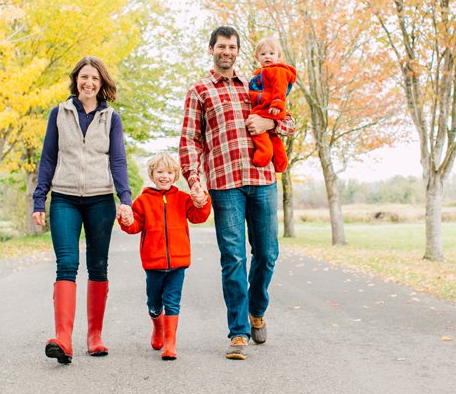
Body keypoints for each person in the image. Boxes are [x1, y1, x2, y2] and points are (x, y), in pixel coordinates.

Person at [179, 26, 295, 360]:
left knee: (268, 253)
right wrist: (194, 179)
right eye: (221, 46)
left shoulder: (257, 83)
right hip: (224, 184)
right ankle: (238, 332)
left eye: (232, 47)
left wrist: (269, 125)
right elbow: (190, 139)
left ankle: (257, 308)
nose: (226, 51)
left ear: (238, 51)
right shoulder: (199, 91)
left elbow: (288, 122)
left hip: (262, 179)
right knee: (233, 257)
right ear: (211, 49)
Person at [32, 56, 133, 365]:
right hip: (64, 197)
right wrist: (39, 200)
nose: (89, 83)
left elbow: (117, 160)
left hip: (101, 199)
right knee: (67, 264)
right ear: (76, 79)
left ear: (102, 84)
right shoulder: (58, 114)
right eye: (84, 77)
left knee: (98, 266)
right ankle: (63, 339)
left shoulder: (111, 118)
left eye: (95, 79)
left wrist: (124, 199)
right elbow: (48, 157)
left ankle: (95, 336)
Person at [118, 153, 211, 360]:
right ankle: (158, 327)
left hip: (178, 262)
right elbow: (134, 227)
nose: (165, 176)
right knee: (153, 303)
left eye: (169, 172)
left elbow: (198, 217)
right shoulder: (143, 201)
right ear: (152, 174)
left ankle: (170, 343)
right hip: (153, 263)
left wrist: (202, 201)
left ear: (176, 175)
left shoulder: (182, 198)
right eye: (160, 172)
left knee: (173, 301)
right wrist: (125, 219)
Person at [247, 36, 297, 172]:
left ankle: (264, 154)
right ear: (257, 57)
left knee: (260, 133)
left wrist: (277, 104)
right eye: (263, 54)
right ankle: (280, 162)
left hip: (270, 109)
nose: (267, 57)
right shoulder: (259, 74)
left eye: (271, 53)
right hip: (269, 109)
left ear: (278, 56)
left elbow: (280, 87)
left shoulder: (277, 70)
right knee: (274, 138)